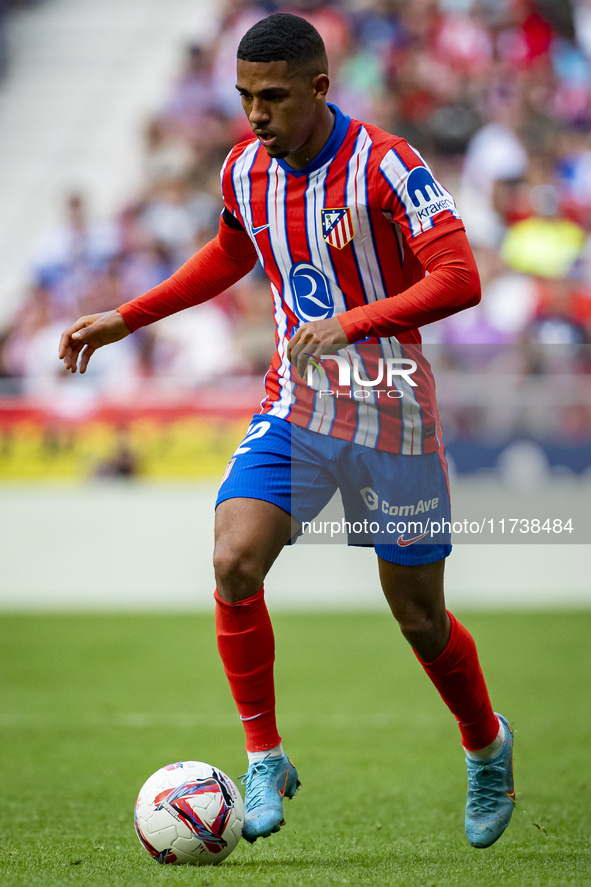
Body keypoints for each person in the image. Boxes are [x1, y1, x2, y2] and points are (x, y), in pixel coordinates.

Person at [59, 13, 515, 850]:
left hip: (389, 407)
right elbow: (231, 253)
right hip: (297, 406)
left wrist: (352, 322)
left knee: (417, 616)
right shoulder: (243, 168)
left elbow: (460, 277)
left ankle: (485, 743)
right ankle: (263, 753)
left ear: (318, 88)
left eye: (271, 97)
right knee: (234, 557)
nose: (255, 115)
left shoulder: (387, 165)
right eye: (243, 98)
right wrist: (129, 315)